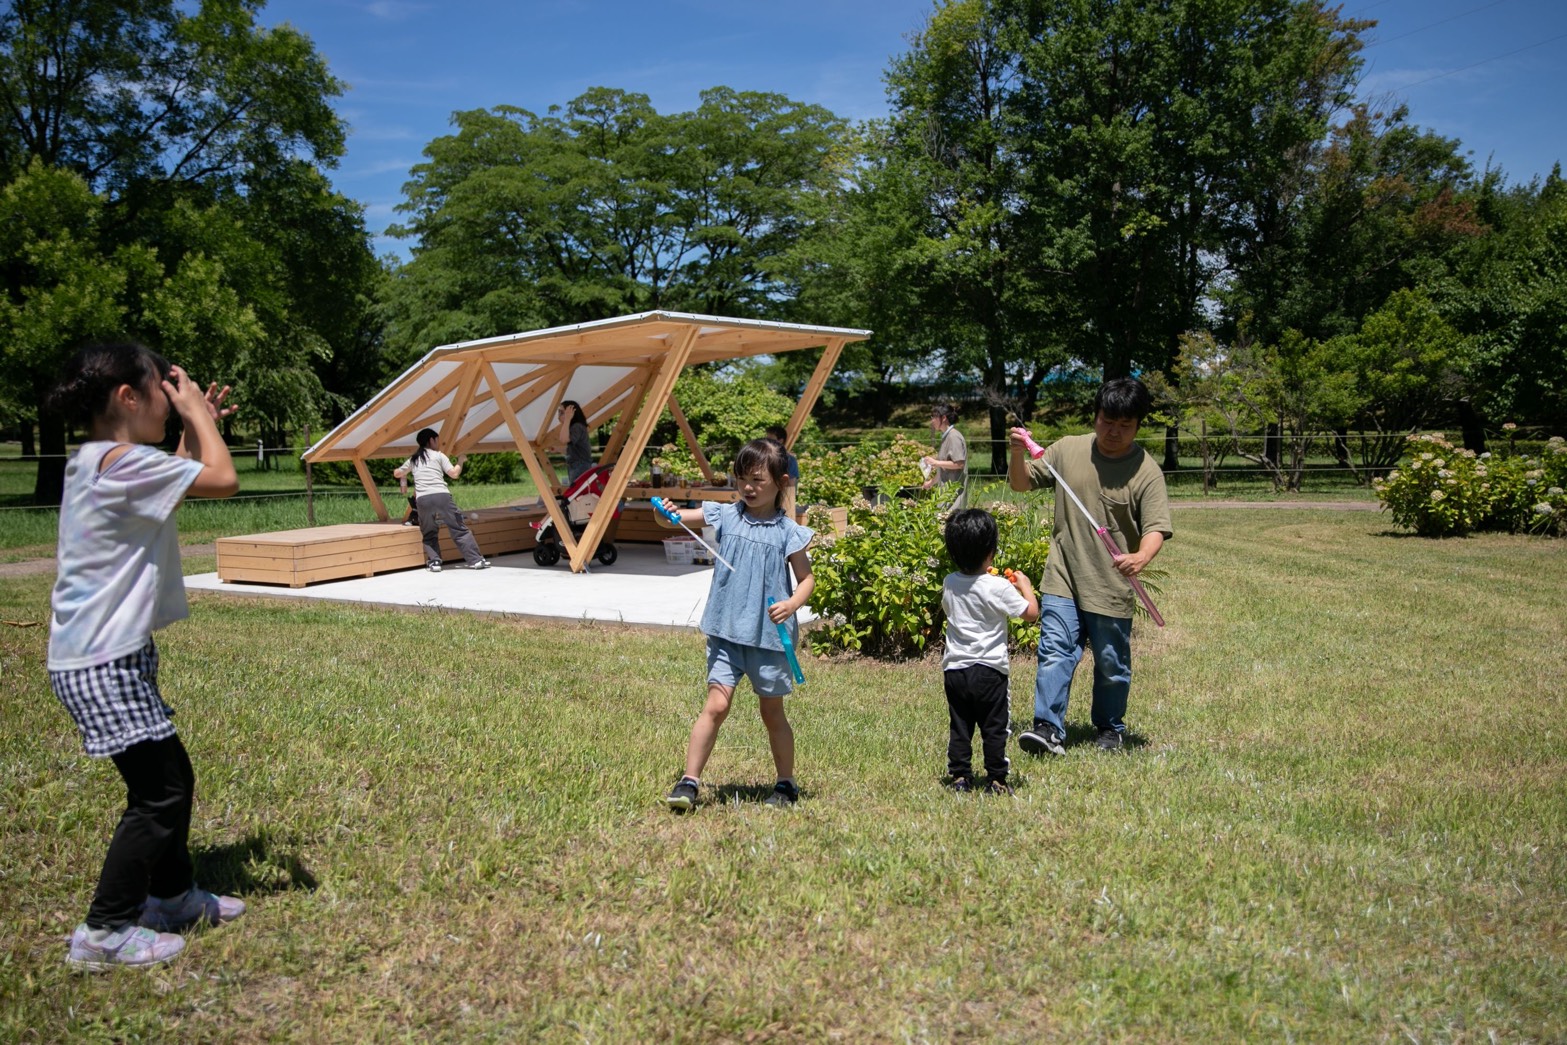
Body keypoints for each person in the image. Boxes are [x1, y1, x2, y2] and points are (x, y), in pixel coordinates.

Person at [45, 341, 245, 970]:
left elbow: (175, 486)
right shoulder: (122, 462)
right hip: (102, 658)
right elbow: (223, 481)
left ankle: (172, 896)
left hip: (102, 654)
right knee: (161, 792)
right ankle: (104, 931)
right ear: (128, 397)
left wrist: (193, 424)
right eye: (164, 388)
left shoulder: (98, 460)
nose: (171, 397)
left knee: (167, 783)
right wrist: (202, 422)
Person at [1008, 377, 1171, 754]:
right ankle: (1048, 728)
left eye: (1124, 425)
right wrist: (1017, 453)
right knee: (1055, 651)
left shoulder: (1146, 471)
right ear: (1096, 416)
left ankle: (1110, 728)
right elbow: (1020, 484)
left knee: (1112, 665)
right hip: (1063, 575)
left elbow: (1156, 528)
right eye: (1106, 421)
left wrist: (1141, 556)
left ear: (1137, 425)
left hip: (1110, 585)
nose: (1113, 431)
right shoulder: (1068, 449)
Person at [657, 438, 814, 813]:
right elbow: (672, 519)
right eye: (742, 478)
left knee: (771, 712)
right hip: (727, 633)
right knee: (715, 705)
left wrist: (792, 603)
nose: (748, 487)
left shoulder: (788, 532)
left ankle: (786, 782)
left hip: (767, 639)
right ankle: (689, 781)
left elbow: (807, 579)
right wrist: (664, 511)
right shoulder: (725, 515)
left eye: (758, 479)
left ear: (781, 482)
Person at [941, 509, 1039, 795]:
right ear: (991, 551)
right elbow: (1031, 614)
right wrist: (1025, 587)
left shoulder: (950, 582)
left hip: (955, 670)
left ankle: (960, 776)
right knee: (994, 727)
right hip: (990, 671)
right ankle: (996, 778)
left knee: (960, 725)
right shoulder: (998, 587)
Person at [393, 428, 490, 572]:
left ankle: (435, 562)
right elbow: (454, 474)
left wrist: (404, 475)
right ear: (431, 440)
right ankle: (475, 560)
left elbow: (397, 473)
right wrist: (461, 460)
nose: (438, 443)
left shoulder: (414, 459)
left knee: (429, 532)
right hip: (441, 496)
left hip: (423, 499)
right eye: (437, 440)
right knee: (458, 528)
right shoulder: (439, 456)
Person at [922, 402, 968, 509]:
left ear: (943, 418)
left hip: (954, 496)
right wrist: (931, 483)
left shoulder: (953, 436)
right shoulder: (946, 436)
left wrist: (935, 462)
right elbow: (943, 468)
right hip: (945, 494)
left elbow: (959, 463)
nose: (932, 420)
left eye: (934, 417)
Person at [552, 400, 594, 484]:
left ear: (571, 413)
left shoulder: (577, 426)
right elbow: (574, 449)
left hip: (580, 466)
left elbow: (563, 439)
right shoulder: (575, 427)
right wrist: (558, 449)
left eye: (561, 412)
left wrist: (567, 419)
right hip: (578, 465)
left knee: (577, 493)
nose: (559, 415)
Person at [764, 424, 799, 516]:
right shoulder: (763, 457)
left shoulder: (789, 460)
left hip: (781, 506)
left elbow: (790, 487)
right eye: (766, 439)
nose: (767, 442)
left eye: (770, 440)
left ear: (781, 441)